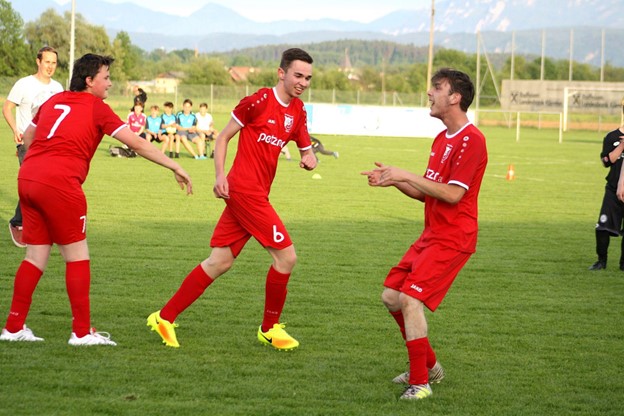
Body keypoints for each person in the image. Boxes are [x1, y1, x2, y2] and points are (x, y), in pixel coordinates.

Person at [0, 53, 192, 346]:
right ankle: (81, 333)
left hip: (28, 179)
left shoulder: (54, 100)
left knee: (35, 256)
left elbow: (27, 138)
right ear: (89, 81)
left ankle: (13, 327)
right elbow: (137, 143)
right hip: (60, 184)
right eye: (106, 77)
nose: (110, 83)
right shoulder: (96, 108)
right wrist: (175, 165)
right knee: (77, 256)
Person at [147, 48, 316, 350]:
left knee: (219, 261)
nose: (302, 82)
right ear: (282, 73)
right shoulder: (258, 101)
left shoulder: (298, 111)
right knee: (287, 257)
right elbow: (223, 136)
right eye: (298, 75)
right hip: (243, 191)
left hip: (256, 193)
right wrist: (220, 175)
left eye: (307, 78)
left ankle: (165, 316)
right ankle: (269, 328)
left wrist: (309, 156)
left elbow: (306, 147)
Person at [361, 68, 488, 400]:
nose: (430, 94)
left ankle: (421, 383)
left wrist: (405, 173)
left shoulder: (472, 140)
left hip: (454, 238)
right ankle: (429, 365)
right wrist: (394, 180)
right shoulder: (441, 139)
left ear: (455, 97)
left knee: (410, 299)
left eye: (437, 88)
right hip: (432, 234)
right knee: (391, 296)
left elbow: (452, 195)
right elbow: (427, 192)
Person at [3, 46, 63, 248]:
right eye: (47, 62)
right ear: (38, 61)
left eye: (53, 63)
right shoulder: (24, 84)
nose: (50, 66)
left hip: (51, 144)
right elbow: (7, 107)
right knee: (33, 182)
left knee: (48, 184)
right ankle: (18, 222)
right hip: (27, 143)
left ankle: (41, 223)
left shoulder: (58, 88)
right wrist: (15, 129)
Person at [590, 115, 624, 271]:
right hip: (612, 189)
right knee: (602, 226)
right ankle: (601, 261)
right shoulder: (612, 137)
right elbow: (606, 162)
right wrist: (622, 145)